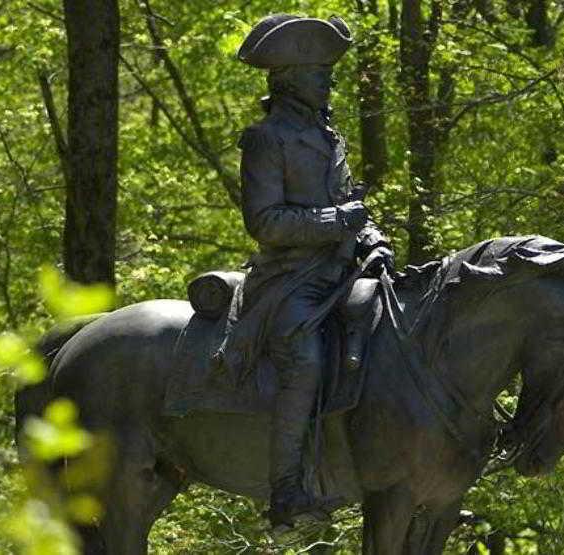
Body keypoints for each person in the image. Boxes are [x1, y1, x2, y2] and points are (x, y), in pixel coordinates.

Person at [227, 14, 394, 528]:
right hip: (290, 279)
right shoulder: (266, 138)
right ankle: (286, 493)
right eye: (321, 74)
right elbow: (266, 223)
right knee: (302, 360)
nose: (330, 82)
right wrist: (338, 221)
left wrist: (374, 239)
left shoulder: (328, 136)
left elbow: (351, 206)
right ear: (292, 78)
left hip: (343, 272)